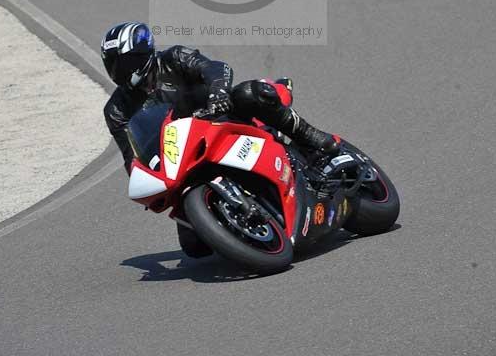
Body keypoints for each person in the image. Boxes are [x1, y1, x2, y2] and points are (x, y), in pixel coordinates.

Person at [101, 21, 340, 257]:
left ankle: (310, 137)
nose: (120, 71)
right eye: (113, 65)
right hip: (181, 154)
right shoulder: (116, 110)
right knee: (194, 248)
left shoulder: (174, 58)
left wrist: (219, 92)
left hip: (220, 118)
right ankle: (239, 224)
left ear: (143, 54)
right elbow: (131, 157)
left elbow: (215, 68)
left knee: (249, 93)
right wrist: (147, 178)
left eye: (125, 63)